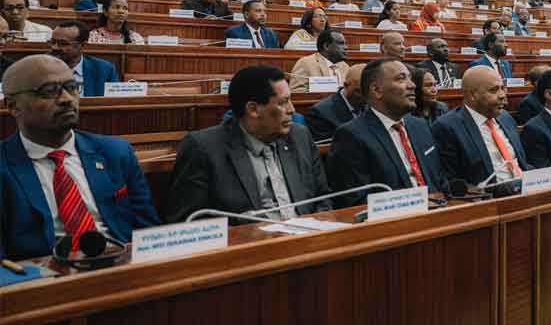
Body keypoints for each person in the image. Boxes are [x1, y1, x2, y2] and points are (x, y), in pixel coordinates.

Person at [0, 55, 159, 259]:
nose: (67, 99)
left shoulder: (116, 152)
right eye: (49, 91)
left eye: (72, 87)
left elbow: (149, 231)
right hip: (43, 273)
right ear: (13, 106)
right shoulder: (4, 165)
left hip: (123, 263)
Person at [166, 65, 331, 224]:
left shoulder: (300, 136)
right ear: (253, 109)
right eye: (283, 103)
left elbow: (323, 199)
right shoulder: (203, 148)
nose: (292, 109)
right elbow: (189, 221)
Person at [326, 58, 448, 206]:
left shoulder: (420, 126)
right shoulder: (351, 136)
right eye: (401, 79)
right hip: (397, 218)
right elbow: (355, 200)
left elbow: (439, 179)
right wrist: (416, 203)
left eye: (410, 78)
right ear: (377, 90)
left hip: (440, 211)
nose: (412, 85)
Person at [432, 66, 529, 185]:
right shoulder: (447, 127)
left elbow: (523, 164)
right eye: (493, 90)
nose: (502, 95)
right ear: (472, 95)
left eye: (503, 88)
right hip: (491, 193)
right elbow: (451, 181)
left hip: (525, 187)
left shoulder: (505, 117)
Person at [49, 20, 121, 97]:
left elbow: (114, 101)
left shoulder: (105, 70)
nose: (55, 47)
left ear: (83, 45)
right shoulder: (41, 67)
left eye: (63, 44)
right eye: (52, 42)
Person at [304, 63, 365, 142]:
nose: (365, 97)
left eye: (368, 92)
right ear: (346, 86)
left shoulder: (372, 105)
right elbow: (327, 148)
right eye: (358, 91)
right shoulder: (319, 113)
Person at [289, 29, 348, 93]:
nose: (346, 47)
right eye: (341, 44)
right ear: (326, 46)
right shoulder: (305, 63)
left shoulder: (344, 66)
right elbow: (295, 92)